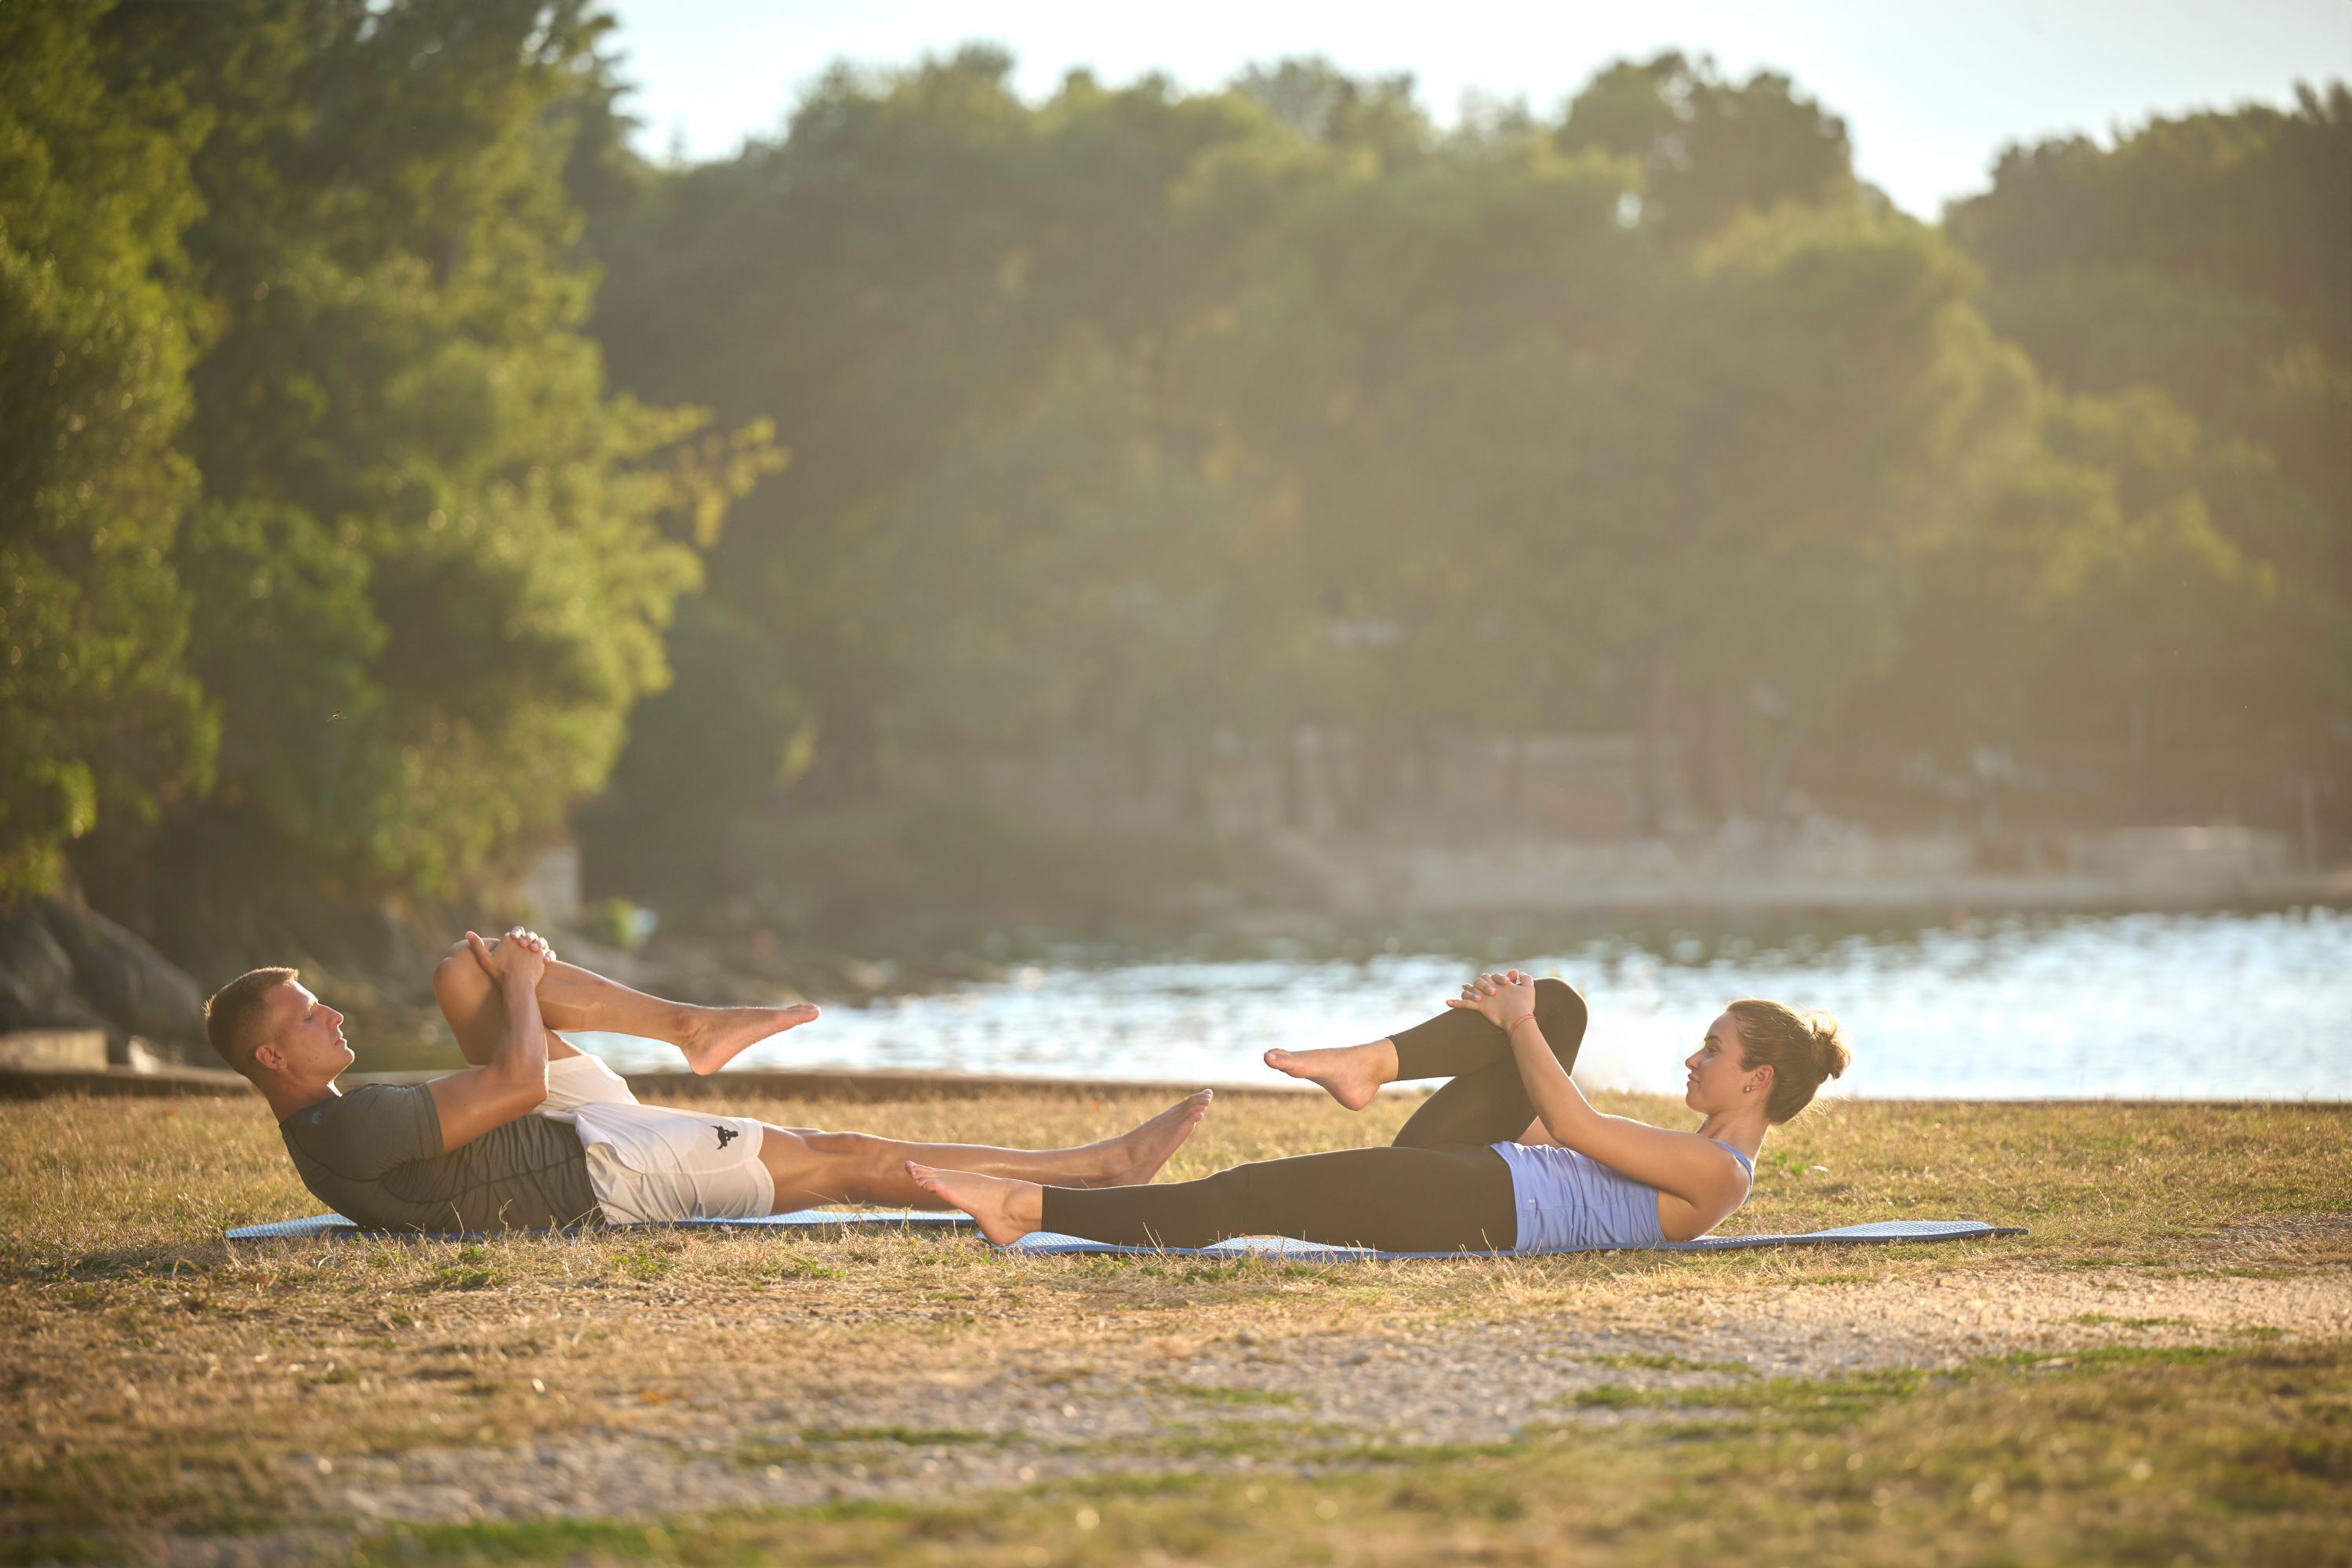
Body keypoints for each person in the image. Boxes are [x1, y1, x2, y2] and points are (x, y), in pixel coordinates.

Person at [204, 927, 1212, 1233]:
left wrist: (506, 981)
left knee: (453, 971)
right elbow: (511, 1085)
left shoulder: (340, 1121)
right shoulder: (351, 1132)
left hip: (564, 1128)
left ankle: (693, 1027)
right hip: (600, 1171)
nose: (331, 1013)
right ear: (272, 1058)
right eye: (308, 1015)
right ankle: (1091, 1170)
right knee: (842, 1161)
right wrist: (525, 982)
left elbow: (509, 1084)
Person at [908, 970, 1848, 1254]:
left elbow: (1572, 1127)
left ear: (1757, 1080)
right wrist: (1516, 1029)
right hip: (1482, 1175)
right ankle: (1373, 1062)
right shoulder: (1687, 1151)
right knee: (1559, 1003)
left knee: (1239, 1197)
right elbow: (1549, 1132)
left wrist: (1513, 1029)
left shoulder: (1721, 1175)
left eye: (1714, 1050)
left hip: (1476, 1204)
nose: (1695, 1058)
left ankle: (1023, 1206)